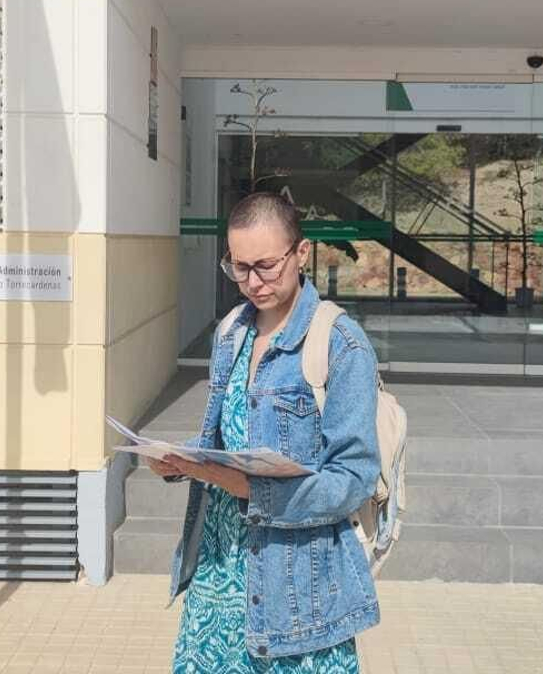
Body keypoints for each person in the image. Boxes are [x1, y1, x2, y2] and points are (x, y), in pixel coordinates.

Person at [149, 191, 382, 673]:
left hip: (297, 592)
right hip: (217, 582)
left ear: (301, 252)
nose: (252, 282)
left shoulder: (340, 344)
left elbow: (352, 479)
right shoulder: (232, 330)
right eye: (238, 268)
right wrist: (179, 460)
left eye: (265, 266)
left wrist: (254, 491)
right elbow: (223, 442)